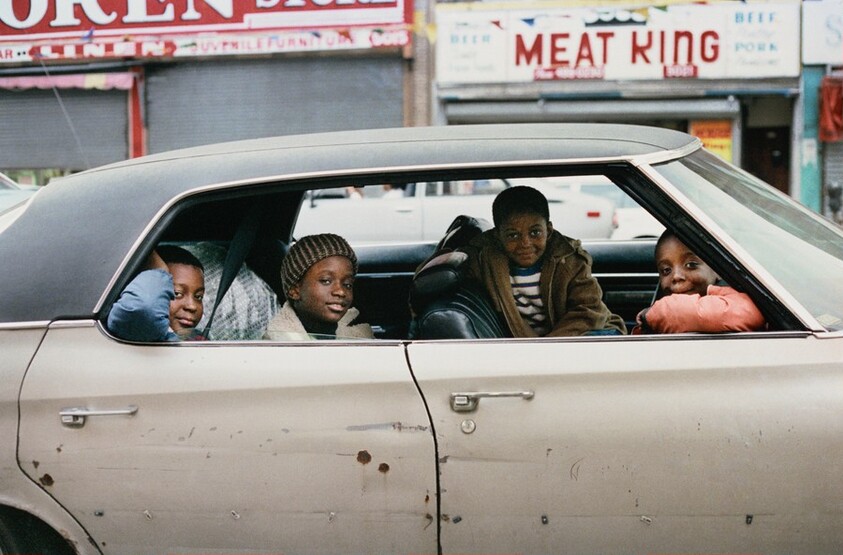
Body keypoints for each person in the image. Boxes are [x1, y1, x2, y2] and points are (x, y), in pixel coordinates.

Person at [460, 185, 626, 337]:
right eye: (513, 235)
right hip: (536, 344)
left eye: (535, 233)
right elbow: (455, 265)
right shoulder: (485, 260)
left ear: (548, 230)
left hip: (588, 330)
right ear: (497, 236)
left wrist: (548, 346)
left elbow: (589, 310)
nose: (525, 243)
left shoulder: (569, 260)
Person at [635, 230, 766, 333]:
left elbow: (744, 314)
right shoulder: (655, 317)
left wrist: (654, 315)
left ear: (717, 270)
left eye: (691, 265)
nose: (676, 276)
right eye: (666, 270)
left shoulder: (734, 302)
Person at [264, 233, 374, 340]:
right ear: (295, 290)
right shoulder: (279, 342)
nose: (341, 291)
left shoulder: (357, 336)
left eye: (347, 284)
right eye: (326, 281)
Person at [107, 245, 206, 341]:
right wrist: (159, 270)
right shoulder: (136, 332)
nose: (192, 306)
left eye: (198, 297)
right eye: (177, 293)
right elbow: (143, 309)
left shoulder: (197, 340)